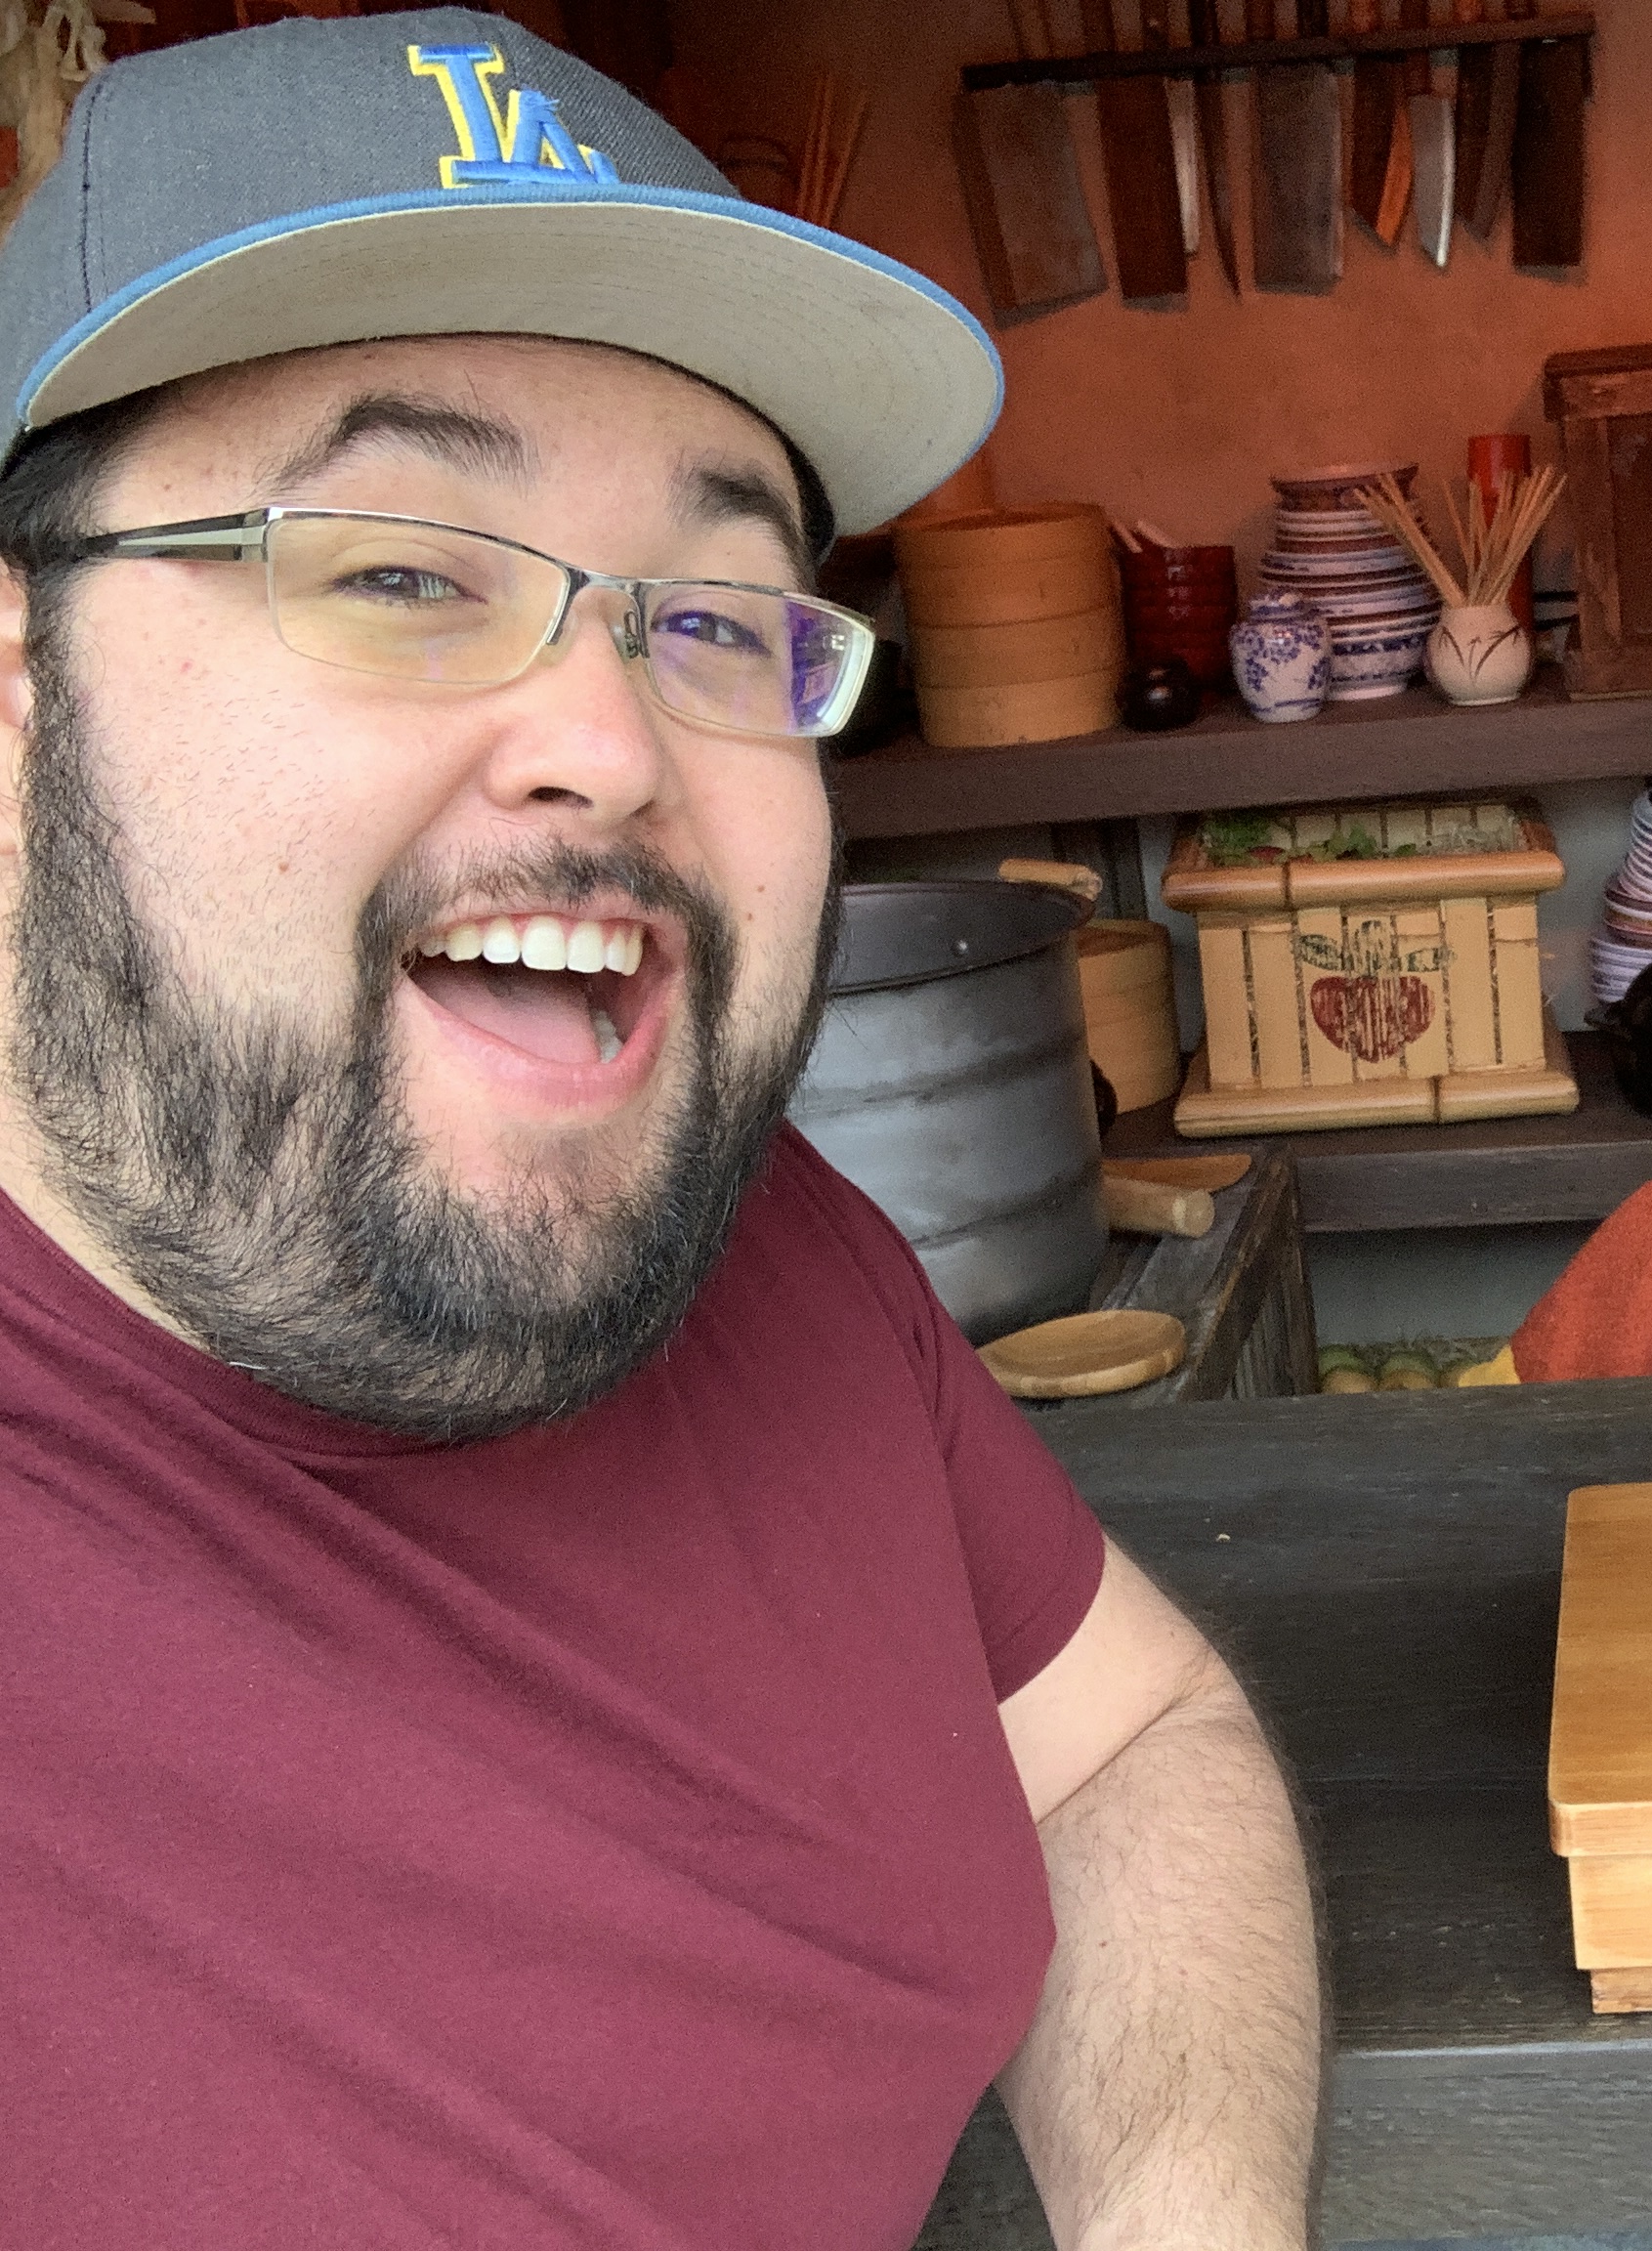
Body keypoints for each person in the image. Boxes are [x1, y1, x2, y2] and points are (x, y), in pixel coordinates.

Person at [0, 13, 1320, 2247]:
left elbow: (1121, 1744)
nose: (610, 744)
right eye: (401, 571)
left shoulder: (765, 1248)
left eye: (714, 617)